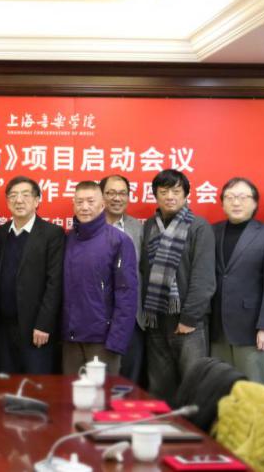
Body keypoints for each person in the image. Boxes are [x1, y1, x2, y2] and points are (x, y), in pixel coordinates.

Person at [139, 169, 216, 402]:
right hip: (156, 320)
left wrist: (189, 318)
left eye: (176, 191)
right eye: (164, 192)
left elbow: (203, 277)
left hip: (188, 322)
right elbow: (144, 270)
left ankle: (192, 426)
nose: (170, 196)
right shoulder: (150, 225)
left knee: (193, 386)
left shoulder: (198, 226)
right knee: (159, 387)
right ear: (156, 195)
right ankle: (163, 425)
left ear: (185, 195)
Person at [211, 177, 264, 383]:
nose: (236, 202)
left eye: (243, 197)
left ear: (254, 203)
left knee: (252, 389)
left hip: (251, 330)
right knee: (220, 388)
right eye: (230, 197)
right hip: (216, 329)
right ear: (222, 203)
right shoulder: (212, 231)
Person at [62, 181, 138, 375]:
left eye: (90, 201)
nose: (84, 207)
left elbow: (127, 295)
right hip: (70, 339)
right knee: (71, 391)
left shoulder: (119, 240)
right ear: (73, 204)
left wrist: (117, 340)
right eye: (79, 202)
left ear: (102, 204)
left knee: (101, 392)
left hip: (103, 341)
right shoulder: (67, 238)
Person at [0, 176, 64, 374]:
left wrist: (44, 324)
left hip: (36, 329)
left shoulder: (52, 234)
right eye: (13, 196)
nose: (19, 200)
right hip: (3, 328)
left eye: (26, 195)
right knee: (6, 384)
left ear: (37, 200)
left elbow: (55, 283)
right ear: (7, 201)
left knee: (36, 385)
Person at [100, 174, 144, 383]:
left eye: (122, 193)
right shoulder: (89, 227)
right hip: (98, 317)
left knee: (129, 381)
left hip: (131, 317)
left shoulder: (139, 229)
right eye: (111, 193)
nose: (117, 198)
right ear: (101, 196)